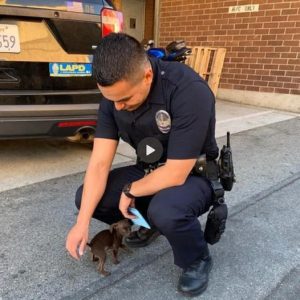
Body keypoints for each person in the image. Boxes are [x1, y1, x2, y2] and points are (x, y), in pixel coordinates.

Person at [66, 32, 219, 297]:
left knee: (167, 208)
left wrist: (130, 190)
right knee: (88, 198)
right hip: (150, 168)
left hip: (194, 174)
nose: (119, 107)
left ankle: (197, 259)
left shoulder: (187, 90)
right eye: (112, 99)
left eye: (125, 99)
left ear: (147, 76)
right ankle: (152, 225)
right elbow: (99, 163)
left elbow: (176, 172)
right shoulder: (115, 98)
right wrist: (81, 223)